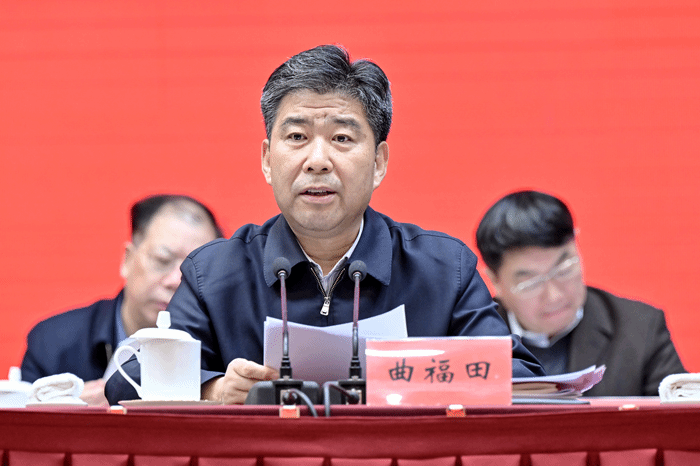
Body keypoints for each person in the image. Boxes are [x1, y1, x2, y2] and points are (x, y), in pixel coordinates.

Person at [106, 44, 544, 405]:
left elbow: (523, 381)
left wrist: (422, 381)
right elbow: (128, 379)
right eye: (297, 137)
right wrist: (214, 389)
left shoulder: (443, 270)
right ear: (267, 159)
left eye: (342, 138)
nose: (317, 161)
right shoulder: (214, 273)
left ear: (378, 162)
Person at [476, 190, 686, 396]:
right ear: (495, 280)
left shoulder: (640, 328)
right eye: (530, 283)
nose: (554, 296)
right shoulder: (471, 340)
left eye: (564, 269)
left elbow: (680, 414)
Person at [21, 194, 223, 405]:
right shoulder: (53, 343)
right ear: (127, 259)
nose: (175, 281)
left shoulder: (224, 350)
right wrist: (65, 406)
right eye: (163, 260)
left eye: (193, 271)